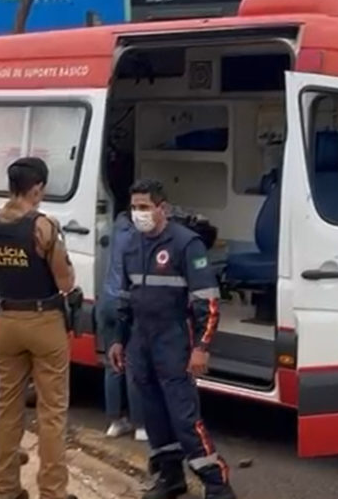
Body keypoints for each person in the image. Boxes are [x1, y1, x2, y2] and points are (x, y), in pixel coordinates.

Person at [109, 178, 236, 499]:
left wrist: (202, 347)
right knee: (153, 417)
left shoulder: (186, 244)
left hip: (175, 342)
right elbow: (125, 299)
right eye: (134, 207)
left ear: (161, 208)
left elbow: (207, 300)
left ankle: (217, 485)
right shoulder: (131, 246)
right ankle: (170, 478)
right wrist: (117, 340)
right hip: (141, 343)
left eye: (144, 207)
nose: (138, 214)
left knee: (184, 419)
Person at [0, 157, 78, 499]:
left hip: (7, 321)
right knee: (52, 413)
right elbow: (66, 280)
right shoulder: (42, 226)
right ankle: (52, 492)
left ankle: (6, 488)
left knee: (7, 408)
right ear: (37, 188)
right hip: (44, 321)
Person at [96, 210, 146, 441]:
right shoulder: (141, 236)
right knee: (134, 365)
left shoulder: (118, 227)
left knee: (112, 363)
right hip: (127, 304)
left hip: (106, 301)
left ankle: (115, 422)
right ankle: (140, 426)